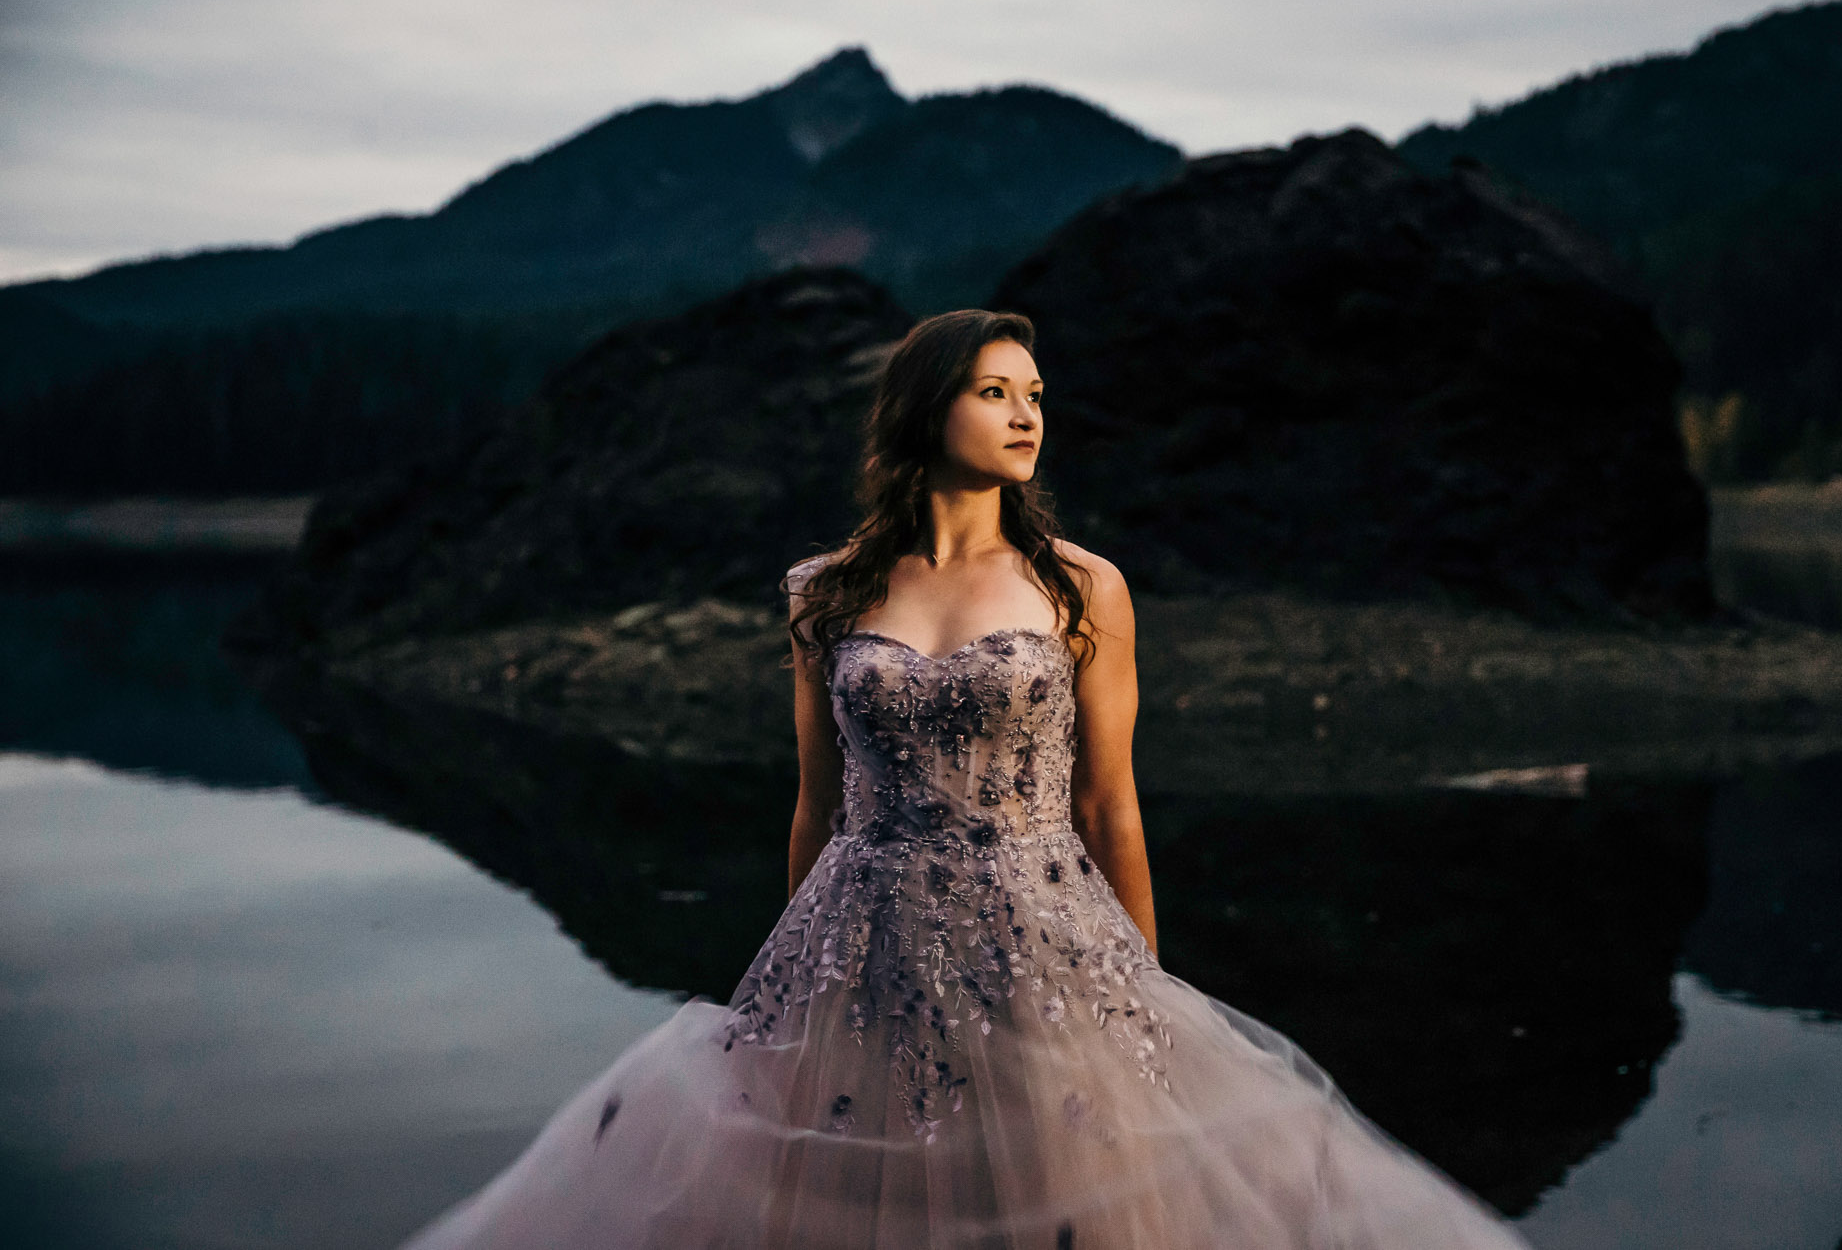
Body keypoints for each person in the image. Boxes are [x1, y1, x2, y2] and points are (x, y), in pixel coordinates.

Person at [399, 310, 1534, 1248]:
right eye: (995, 390)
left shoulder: (1083, 586)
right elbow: (815, 801)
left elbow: (1108, 804)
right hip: (860, 944)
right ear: (922, 408)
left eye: (1034, 392)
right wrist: (782, 992)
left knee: (1055, 1199)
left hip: (1042, 944)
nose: (1027, 412)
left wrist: (1145, 997)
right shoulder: (823, 590)